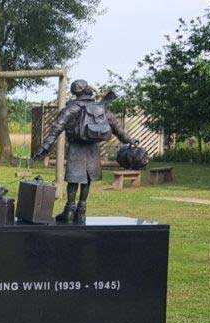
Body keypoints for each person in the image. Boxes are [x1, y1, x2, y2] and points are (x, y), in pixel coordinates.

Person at [33, 79, 136, 224]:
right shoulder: (100, 108)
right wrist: (130, 141)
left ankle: (69, 210)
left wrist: (46, 146)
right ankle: (81, 211)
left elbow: (57, 127)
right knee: (87, 179)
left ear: (75, 92)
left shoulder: (72, 108)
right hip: (93, 148)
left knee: (74, 180)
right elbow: (116, 127)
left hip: (76, 147)